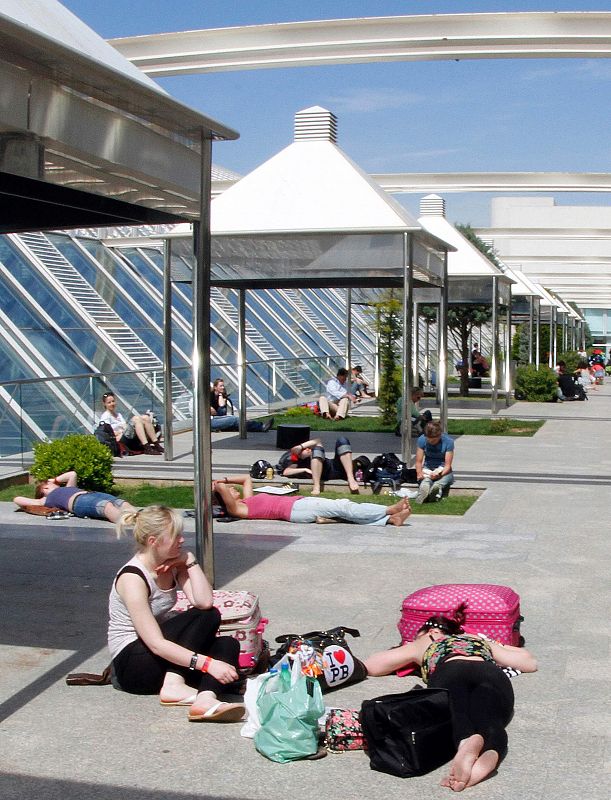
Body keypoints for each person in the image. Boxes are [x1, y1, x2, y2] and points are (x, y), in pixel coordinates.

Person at [364, 603, 537, 791]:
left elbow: (372, 666)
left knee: (458, 715)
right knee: (491, 720)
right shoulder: (475, 639)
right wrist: (493, 643)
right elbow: (529, 663)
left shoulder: (426, 640)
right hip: (488, 671)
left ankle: (465, 742)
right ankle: (489, 755)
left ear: (427, 630)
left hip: (450, 671)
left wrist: (412, 650)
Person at [108, 505, 244, 722]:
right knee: (206, 617)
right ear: (153, 541)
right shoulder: (132, 578)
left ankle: (205, 700)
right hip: (131, 667)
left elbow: (204, 600)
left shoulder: (172, 564)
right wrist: (208, 664)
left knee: (227, 644)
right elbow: (156, 644)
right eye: (175, 536)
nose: (181, 540)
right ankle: (174, 685)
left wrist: (188, 560)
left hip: (159, 661)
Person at [212, 475, 412, 527]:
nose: (232, 488)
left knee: (344, 514)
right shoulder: (237, 509)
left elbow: (246, 479)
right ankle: (387, 510)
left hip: (299, 505)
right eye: (229, 490)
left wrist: (225, 480)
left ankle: (390, 520)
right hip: (296, 510)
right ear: (225, 498)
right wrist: (217, 485)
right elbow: (220, 488)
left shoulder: (247, 501)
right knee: (344, 506)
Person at [13, 470, 136, 523]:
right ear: (44, 489)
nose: (55, 484)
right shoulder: (45, 500)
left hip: (91, 494)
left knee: (120, 502)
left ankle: (140, 518)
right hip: (78, 501)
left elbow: (72, 474)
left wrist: (54, 479)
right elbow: (17, 499)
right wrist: (46, 487)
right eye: (50, 484)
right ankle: (128, 523)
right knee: (105, 506)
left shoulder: (67, 488)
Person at [276, 436, 360, 495]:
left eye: (308, 447)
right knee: (316, 450)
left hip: (335, 468)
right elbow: (286, 472)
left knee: (342, 440)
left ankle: (350, 478)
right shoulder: (298, 463)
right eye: (305, 449)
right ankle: (316, 486)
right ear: (299, 455)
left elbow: (318, 441)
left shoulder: (312, 451)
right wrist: (305, 469)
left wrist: (301, 446)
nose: (308, 449)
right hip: (320, 475)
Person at [415, 420, 455, 504]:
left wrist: (439, 474)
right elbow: (418, 462)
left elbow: (447, 466)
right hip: (428, 468)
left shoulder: (448, 442)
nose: (430, 442)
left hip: (442, 469)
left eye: (433, 440)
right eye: (428, 440)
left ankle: (436, 488)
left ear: (439, 435)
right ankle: (424, 490)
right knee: (426, 479)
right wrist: (419, 472)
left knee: (446, 478)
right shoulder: (422, 440)